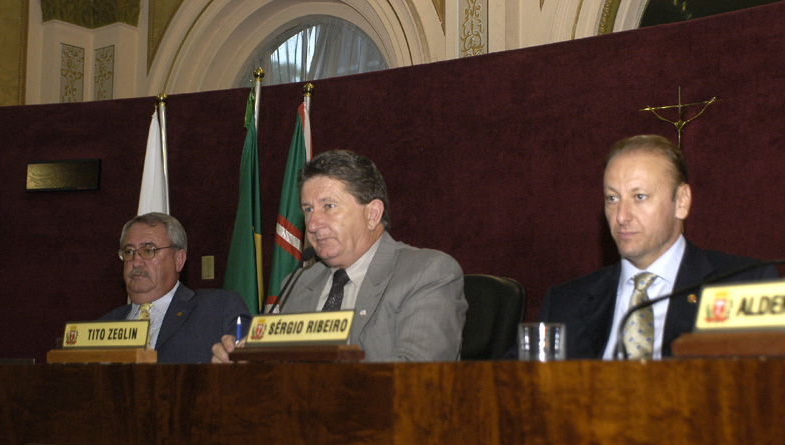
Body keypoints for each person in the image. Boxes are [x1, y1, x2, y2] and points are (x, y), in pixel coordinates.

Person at [518, 134, 779, 360]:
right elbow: (509, 385)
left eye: (639, 197)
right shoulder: (566, 303)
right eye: (612, 198)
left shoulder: (743, 285)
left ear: (681, 201)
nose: (621, 216)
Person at [213, 150, 467, 363]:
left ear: (372, 214)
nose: (312, 224)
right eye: (308, 209)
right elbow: (277, 370)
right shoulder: (296, 285)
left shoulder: (428, 273)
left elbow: (415, 376)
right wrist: (247, 363)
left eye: (329, 206)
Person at [101, 212, 251, 363]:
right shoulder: (102, 327)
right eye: (129, 252)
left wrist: (239, 363)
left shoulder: (218, 308)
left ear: (179, 260)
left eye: (148, 250)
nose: (136, 262)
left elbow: (254, 366)